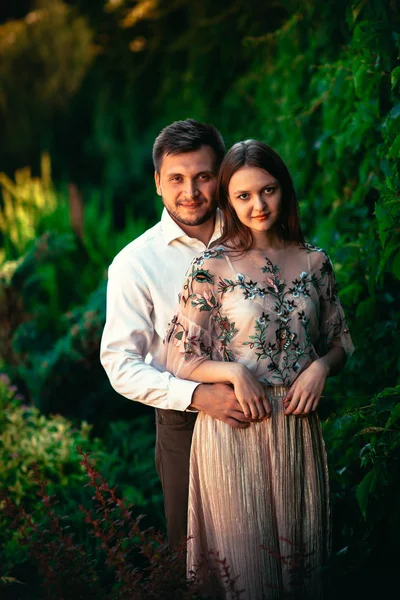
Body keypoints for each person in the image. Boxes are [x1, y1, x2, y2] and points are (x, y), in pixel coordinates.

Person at [162, 139, 354, 599]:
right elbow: (178, 357)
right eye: (243, 196)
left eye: (267, 190)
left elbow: (341, 343)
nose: (258, 205)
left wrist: (320, 369)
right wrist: (232, 373)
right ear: (228, 200)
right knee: (247, 578)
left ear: (283, 189)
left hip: (298, 430)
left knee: (303, 573)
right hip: (234, 432)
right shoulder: (211, 267)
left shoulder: (315, 260)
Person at [100, 119, 254, 548]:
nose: (190, 191)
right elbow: (120, 363)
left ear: (221, 176)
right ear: (157, 183)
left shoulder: (259, 240)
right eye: (177, 179)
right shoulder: (135, 263)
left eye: (203, 176)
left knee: (274, 549)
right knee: (197, 558)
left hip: (269, 413)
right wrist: (195, 396)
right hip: (185, 424)